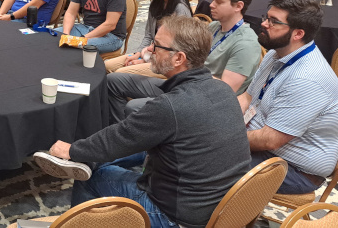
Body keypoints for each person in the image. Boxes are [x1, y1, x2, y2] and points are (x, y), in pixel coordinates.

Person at [34, 16, 251, 228]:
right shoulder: (222, 89)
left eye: (157, 46)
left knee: (92, 177)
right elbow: (125, 138)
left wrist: (71, 149)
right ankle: (90, 164)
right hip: (223, 206)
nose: (149, 50)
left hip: (177, 216)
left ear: (179, 58)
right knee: (102, 156)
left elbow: (117, 139)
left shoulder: (171, 106)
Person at [108, 0, 261, 123]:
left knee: (134, 107)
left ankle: (133, 141)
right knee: (114, 81)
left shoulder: (246, 44)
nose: (211, 5)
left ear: (238, 6)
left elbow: (224, 90)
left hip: (201, 98)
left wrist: (182, 69)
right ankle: (121, 131)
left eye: (219, 2)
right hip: (182, 83)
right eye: (213, 0)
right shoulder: (214, 27)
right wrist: (151, 56)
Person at [239, 0, 338, 194]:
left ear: (298, 34)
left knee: (205, 159)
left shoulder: (307, 78)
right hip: (267, 149)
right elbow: (247, 98)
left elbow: (269, 139)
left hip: (294, 170)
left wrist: (222, 136)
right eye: (266, 17)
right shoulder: (276, 53)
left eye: (273, 21)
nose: (264, 24)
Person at [104, 0, 191, 74]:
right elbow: (148, 35)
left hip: (167, 63)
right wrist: (138, 53)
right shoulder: (157, 2)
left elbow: (178, 48)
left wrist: (146, 61)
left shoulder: (180, 9)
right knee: (107, 65)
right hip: (150, 53)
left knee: (121, 73)